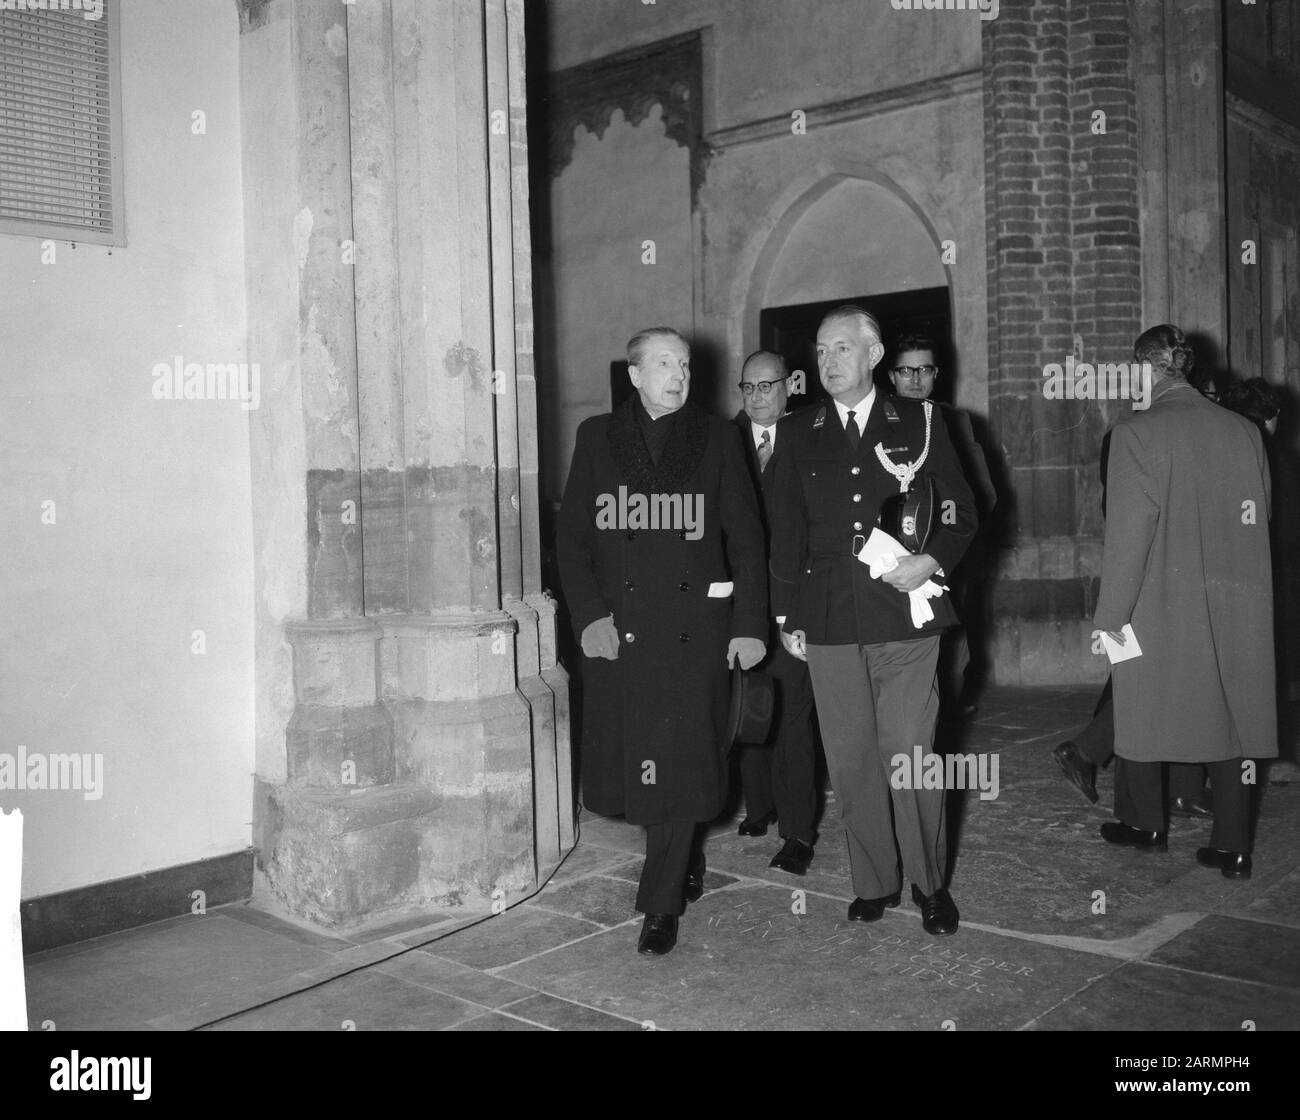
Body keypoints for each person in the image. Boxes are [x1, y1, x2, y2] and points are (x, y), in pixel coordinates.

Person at [555, 326, 767, 955]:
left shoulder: (718, 437)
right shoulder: (597, 437)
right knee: (640, 773)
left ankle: (660, 901)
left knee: (682, 760)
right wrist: (590, 616)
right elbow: (572, 540)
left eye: (685, 364)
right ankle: (681, 855)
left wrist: (751, 626)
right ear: (635, 374)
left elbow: (748, 542)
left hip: (693, 632)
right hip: (621, 632)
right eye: (665, 363)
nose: (679, 373)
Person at [767, 306, 978, 935]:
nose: (828, 363)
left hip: (906, 615)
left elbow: (963, 512)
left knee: (910, 752)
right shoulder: (797, 430)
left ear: (874, 354)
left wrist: (932, 560)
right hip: (829, 616)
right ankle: (875, 881)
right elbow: (786, 533)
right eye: (821, 352)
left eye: (841, 350)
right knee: (853, 757)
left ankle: (930, 883)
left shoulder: (922, 420)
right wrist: (786, 614)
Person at [1094, 324, 1277, 878]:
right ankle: (1233, 845)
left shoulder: (1137, 433)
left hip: (1159, 598)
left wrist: (1109, 619)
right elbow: (1260, 516)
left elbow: (1127, 539)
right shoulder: (1243, 431)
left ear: (1145, 368)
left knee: (1142, 708)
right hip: (1236, 597)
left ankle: (1145, 825)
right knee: (1231, 715)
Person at [731, 350, 818, 875]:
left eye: (769, 385)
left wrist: (801, 611)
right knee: (746, 710)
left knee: (792, 720)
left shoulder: (810, 438)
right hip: (742, 607)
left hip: (793, 608)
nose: (759, 396)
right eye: (749, 387)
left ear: (789, 387)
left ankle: (799, 832)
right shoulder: (723, 441)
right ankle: (758, 806)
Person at [886, 333, 997, 717]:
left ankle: (942, 721)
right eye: (906, 370)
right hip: (887, 557)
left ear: (936, 374)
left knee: (950, 647)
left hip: (943, 555)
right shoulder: (876, 419)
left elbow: (980, 493)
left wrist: (941, 545)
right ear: (891, 375)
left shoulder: (954, 420)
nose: (915, 379)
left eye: (924, 370)